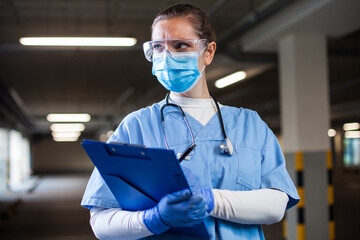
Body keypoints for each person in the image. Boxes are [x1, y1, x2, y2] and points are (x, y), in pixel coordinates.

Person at [81, 3, 299, 240]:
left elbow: (276, 204)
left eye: (181, 45)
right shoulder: (136, 126)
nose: (167, 56)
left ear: (208, 52)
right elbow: (101, 222)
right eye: (158, 47)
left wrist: (211, 200)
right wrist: (155, 218)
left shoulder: (249, 124)